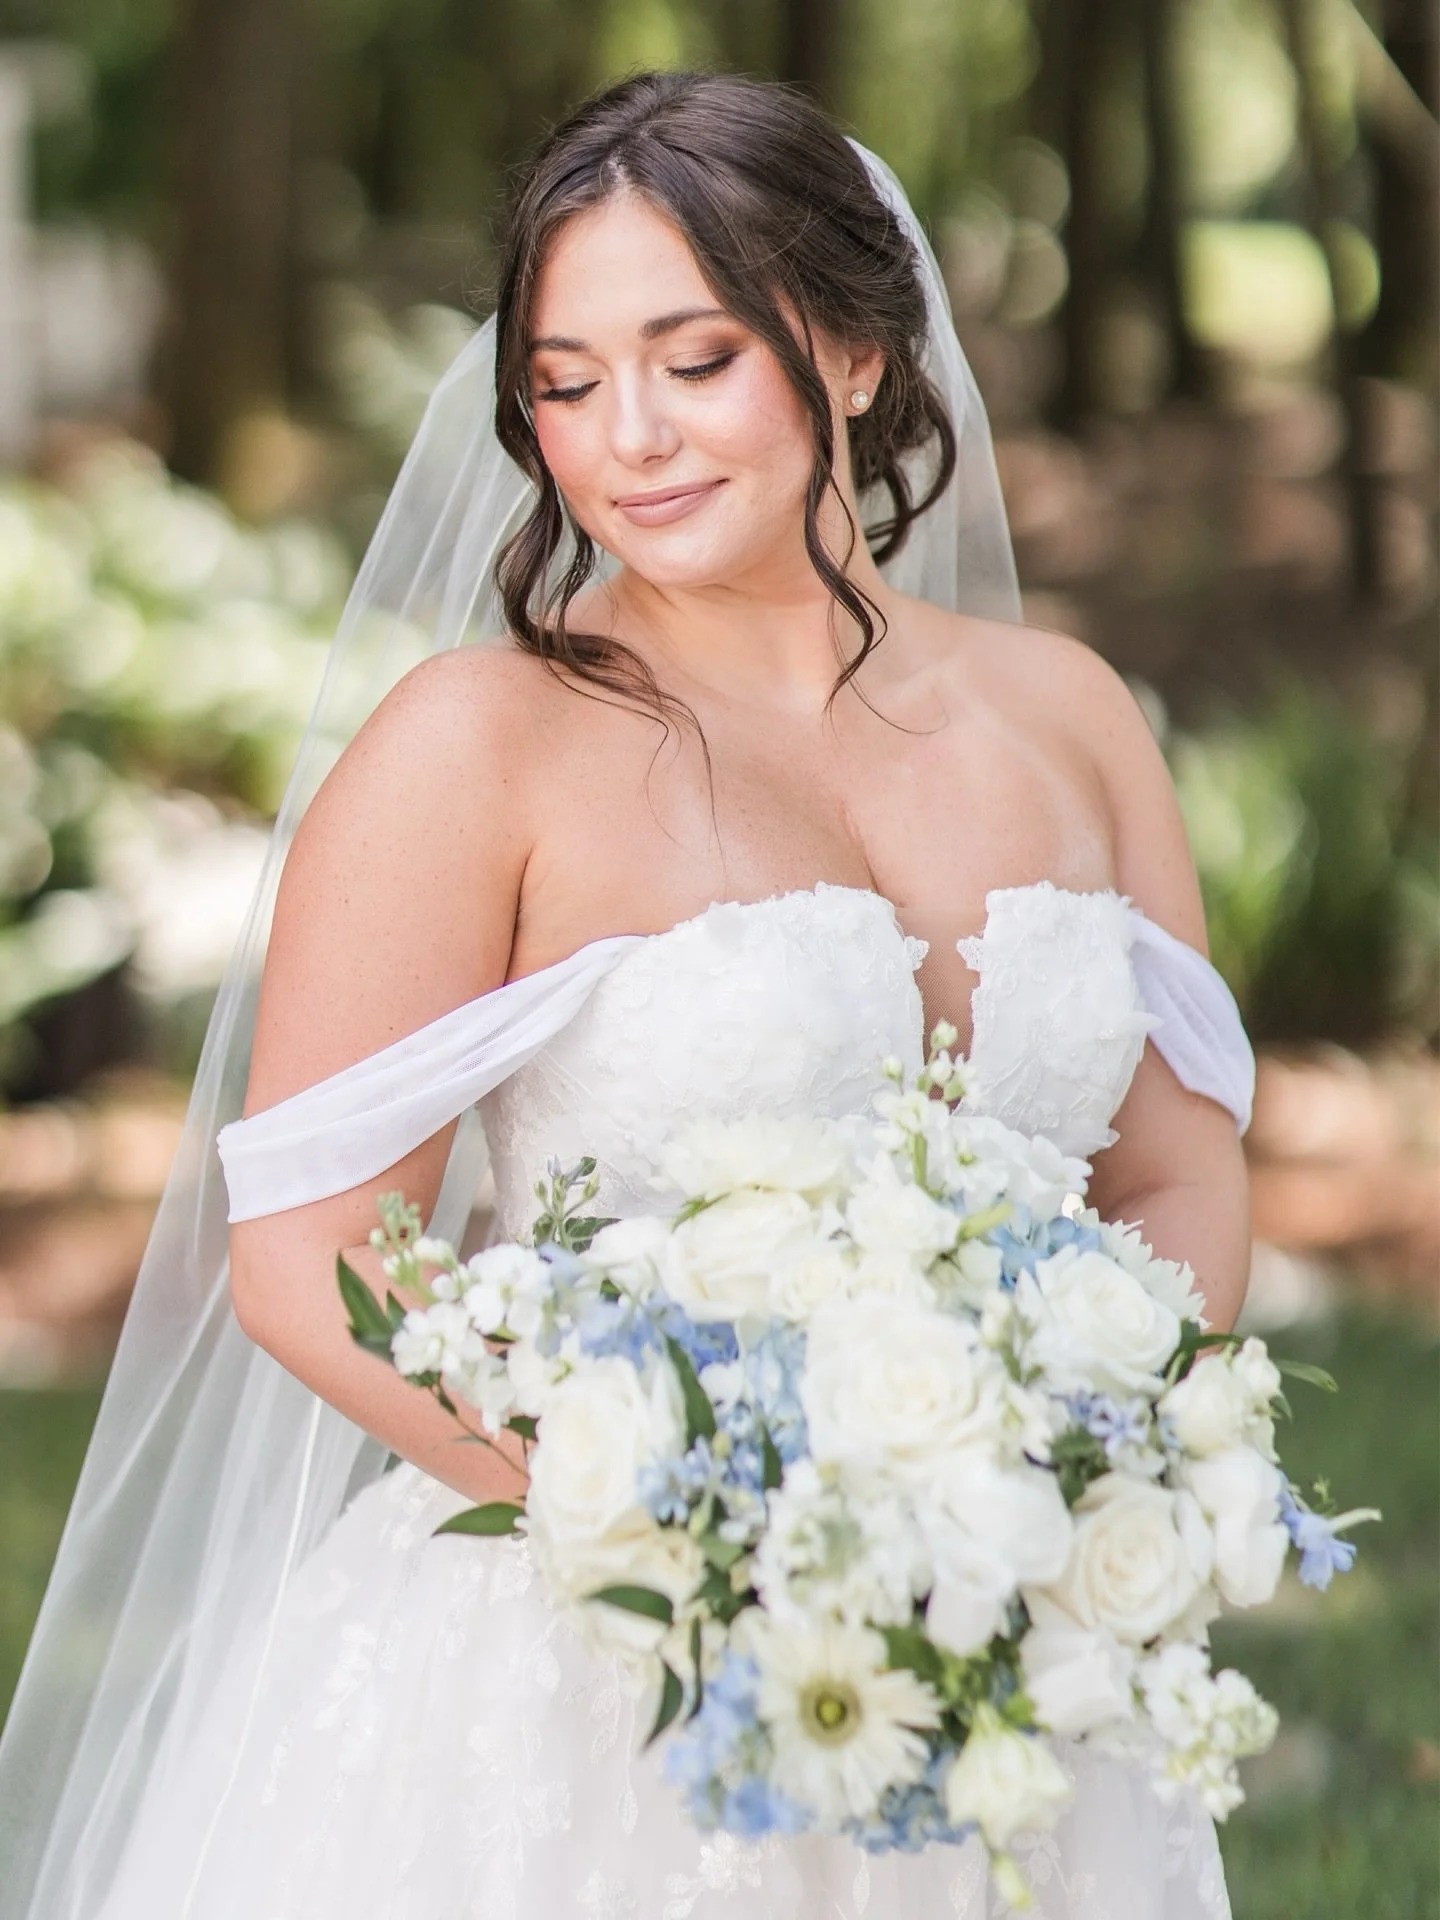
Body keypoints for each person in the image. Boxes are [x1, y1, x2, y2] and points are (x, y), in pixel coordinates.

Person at [0, 70, 1252, 1918]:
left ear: (844, 351)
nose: (628, 439)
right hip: (589, 1676)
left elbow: (1176, 1173)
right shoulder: (476, 746)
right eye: (567, 384)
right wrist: (712, 1541)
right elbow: (310, 1258)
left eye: (693, 360)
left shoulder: (1066, 716)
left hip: (1012, 1645)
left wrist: (1078, 1476)